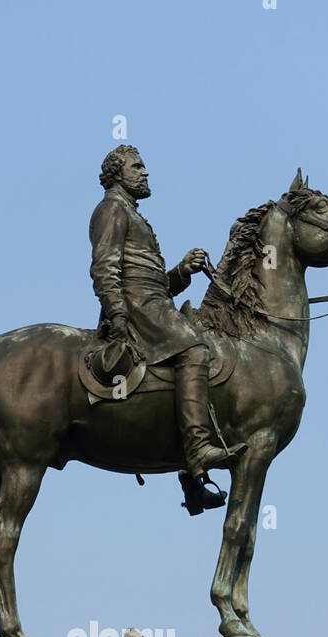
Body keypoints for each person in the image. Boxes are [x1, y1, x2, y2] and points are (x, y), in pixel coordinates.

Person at [89, 146, 246, 516]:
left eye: (144, 167)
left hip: (153, 302)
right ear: (117, 174)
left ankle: (192, 480)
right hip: (138, 308)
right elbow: (104, 268)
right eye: (137, 167)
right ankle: (196, 452)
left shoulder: (131, 212)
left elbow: (155, 283)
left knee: (201, 348)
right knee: (195, 351)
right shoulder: (111, 208)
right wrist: (119, 316)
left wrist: (181, 271)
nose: (145, 173)